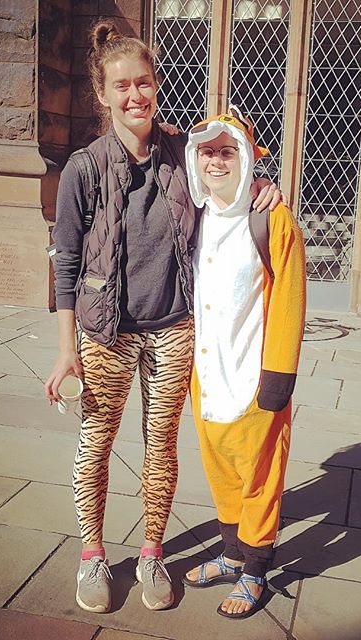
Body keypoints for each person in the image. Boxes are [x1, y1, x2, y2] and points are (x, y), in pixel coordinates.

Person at [44, 23, 280, 614]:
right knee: (96, 442)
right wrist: (66, 348)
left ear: (156, 85)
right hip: (106, 331)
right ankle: (92, 555)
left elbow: (230, 168)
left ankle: (152, 552)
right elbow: (66, 261)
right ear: (103, 94)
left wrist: (263, 184)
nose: (135, 96)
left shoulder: (182, 152)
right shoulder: (83, 169)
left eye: (144, 83)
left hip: (174, 328)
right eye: (122, 86)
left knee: (161, 447)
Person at [181, 107, 306, 619]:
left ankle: (255, 569)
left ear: (248, 158)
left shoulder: (272, 218)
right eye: (206, 151)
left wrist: (279, 376)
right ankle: (231, 555)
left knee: (259, 475)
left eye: (227, 151)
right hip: (207, 376)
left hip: (255, 375)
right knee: (221, 472)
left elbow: (290, 299)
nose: (215, 160)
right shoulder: (193, 216)